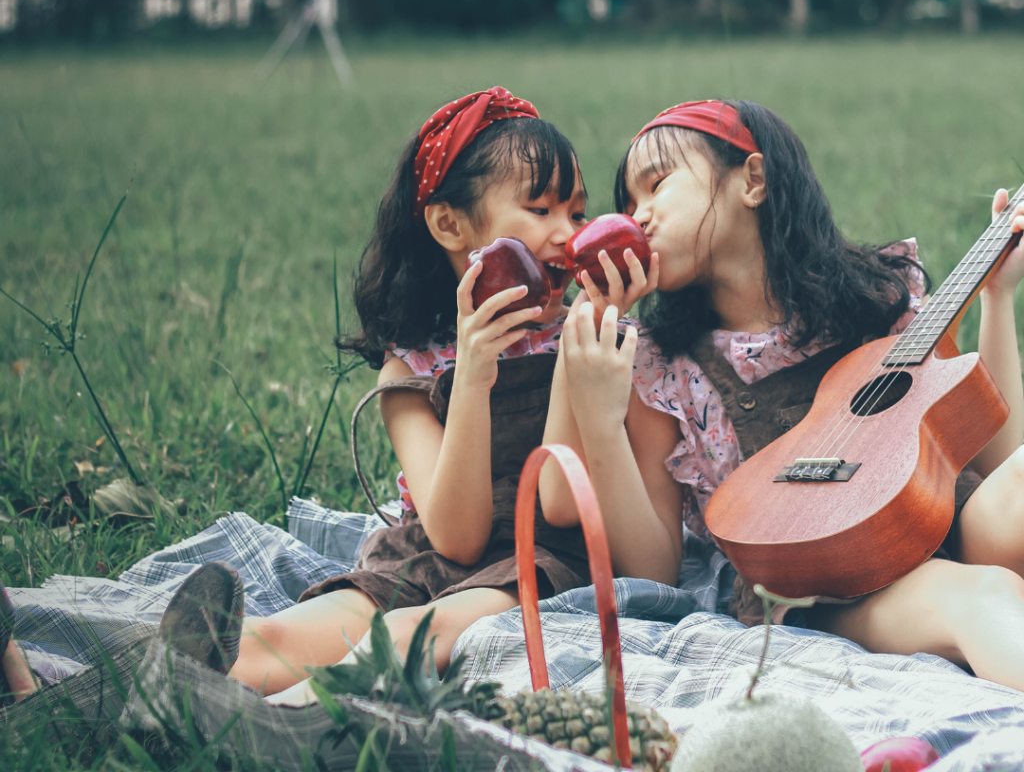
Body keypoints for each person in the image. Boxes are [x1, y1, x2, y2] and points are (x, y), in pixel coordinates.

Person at [0, 86, 682, 708]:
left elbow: (553, 503)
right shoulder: (412, 369)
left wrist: (580, 347)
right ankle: (75, 701)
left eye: (579, 211)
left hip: (535, 563)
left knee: (416, 632)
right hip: (429, 554)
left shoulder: (598, 342)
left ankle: (288, 718)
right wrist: (472, 375)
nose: (569, 233)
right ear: (450, 227)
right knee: (285, 635)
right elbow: (455, 534)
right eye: (539, 210)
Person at [550, 98, 1024, 692]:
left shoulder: (876, 298)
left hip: (948, 516)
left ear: (752, 181)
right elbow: (653, 570)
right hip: (832, 586)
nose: (637, 216)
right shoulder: (664, 368)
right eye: (628, 204)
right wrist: (597, 419)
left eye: (657, 185)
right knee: (982, 595)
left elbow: (993, 449)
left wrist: (998, 299)